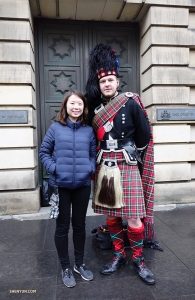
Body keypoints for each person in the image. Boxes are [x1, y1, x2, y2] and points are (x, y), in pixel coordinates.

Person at [85, 44, 156, 285]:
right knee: (112, 217)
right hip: (104, 165)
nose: (107, 84)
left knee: (134, 217)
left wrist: (132, 155)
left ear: (118, 82)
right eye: (103, 80)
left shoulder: (131, 102)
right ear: (99, 83)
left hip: (126, 165)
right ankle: (119, 255)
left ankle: (138, 258)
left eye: (111, 79)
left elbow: (144, 136)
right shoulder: (94, 110)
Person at [39, 90, 96, 288]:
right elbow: (44, 152)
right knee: (62, 227)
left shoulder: (88, 131)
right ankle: (65, 267)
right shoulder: (55, 128)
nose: (76, 107)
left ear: (83, 108)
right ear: (65, 106)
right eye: (72, 103)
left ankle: (79, 264)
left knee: (79, 226)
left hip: (82, 186)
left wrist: (90, 168)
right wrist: (55, 168)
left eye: (79, 104)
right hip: (60, 186)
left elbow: (92, 155)